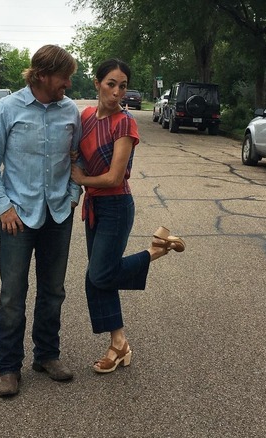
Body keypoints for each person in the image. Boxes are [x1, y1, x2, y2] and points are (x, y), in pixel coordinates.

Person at [70, 58, 185, 374]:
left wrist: (81, 181)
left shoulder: (125, 123)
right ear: (97, 83)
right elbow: (76, 153)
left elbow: (114, 177)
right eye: (111, 84)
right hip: (94, 207)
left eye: (122, 86)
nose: (117, 92)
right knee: (98, 278)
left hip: (116, 206)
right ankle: (118, 345)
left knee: (99, 275)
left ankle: (156, 250)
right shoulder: (87, 117)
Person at [0, 45, 82, 397]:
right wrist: (3, 207)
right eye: (64, 76)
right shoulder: (8, 109)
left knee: (53, 291)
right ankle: (8, 367)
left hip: (58, 214)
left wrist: (72, 196)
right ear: (41, 75)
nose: (68, 82)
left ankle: (47, 355)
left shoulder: (71, 112)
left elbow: (76, 159)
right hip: (17, 218)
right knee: (12, 294)